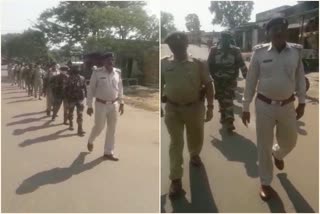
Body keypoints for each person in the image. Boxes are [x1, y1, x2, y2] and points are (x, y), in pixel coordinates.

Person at [242, 17, 306, 201]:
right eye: (274, 29)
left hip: (287, 105)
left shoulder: (295, 52)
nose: (279, 31)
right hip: (264, 105)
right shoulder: (260, 53)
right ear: (267, 32)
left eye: (282, 28)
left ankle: (278, 153)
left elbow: (300, 77)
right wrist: (245, 106)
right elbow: (251, 80)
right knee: (263, 146)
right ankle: (265, 182)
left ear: (286, 31)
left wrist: (302, 101)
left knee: (291, 140)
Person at [161, 32, 214, 199]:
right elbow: (159, 84)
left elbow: (208, 84)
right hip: (172, 109)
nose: (176, 49)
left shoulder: (198, 63)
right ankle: (175, 179)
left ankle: (194, 154)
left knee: (196, 136)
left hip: (195, 107)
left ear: (186, 45)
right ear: (170, 47)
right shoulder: (164, 63)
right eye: (173, 47)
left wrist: (211, 106)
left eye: (179, 46)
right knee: (176, 142)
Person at [207, 31, 248, 134]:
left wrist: (247, 76)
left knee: (228, 98)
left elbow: (241, 64)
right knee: (221, 98)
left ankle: (230, 121)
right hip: (218, 80)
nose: (225, 41)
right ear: (220, 39)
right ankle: (223, 114)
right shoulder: (214, 50)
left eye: (227, 39)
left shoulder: (235, 50)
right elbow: (209, 64)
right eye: (223, 39)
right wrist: (207, 78)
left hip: (230, 80)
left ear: (229, 40)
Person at [86, 52, 124, 161]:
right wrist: (89, 105)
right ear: (103, 61)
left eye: (112, 60)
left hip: (114, 104)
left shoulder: (117, 72)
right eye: (108, 60)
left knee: (112, 129)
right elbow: (91, 89)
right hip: (100, 104)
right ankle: (91, 140)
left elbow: (120, 88)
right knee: (99, 127)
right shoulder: (97, 73)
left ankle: (108, 152)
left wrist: (122, 102)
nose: (111, 62)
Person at [65, 66, 87, 136]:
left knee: (79, 114)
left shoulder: (82, 78)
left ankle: (79, 129)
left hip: (78, 98)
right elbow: (65, 88)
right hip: (72, 98)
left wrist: (85, 95)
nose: (76, 73)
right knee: (72, 113)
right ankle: (72, 124)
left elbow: (84, 87)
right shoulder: (69, 79)